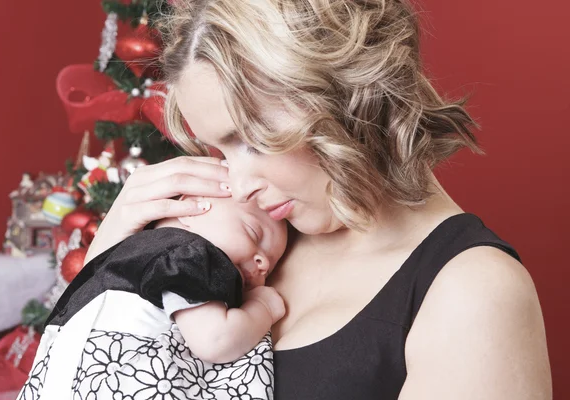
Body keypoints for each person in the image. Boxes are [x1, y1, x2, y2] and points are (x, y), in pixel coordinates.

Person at [84, 0, 553, 399]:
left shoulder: (472, 293)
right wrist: (107, 265)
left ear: (343, 91)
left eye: (253, 138)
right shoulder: (257, 242)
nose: (239, 183)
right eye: (218, 150)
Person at [17, 196, 287, 400]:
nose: (262, 262)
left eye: (271, 263)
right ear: (191, 208)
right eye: (253, 233)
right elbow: (216, 340)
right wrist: (263, 307)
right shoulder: (192, 253)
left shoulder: (132, 255)